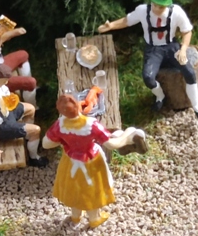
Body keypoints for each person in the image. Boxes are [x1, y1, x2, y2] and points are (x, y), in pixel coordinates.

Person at [98, 0, 198, 123]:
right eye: (154, 4)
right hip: (153, 49)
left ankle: (197, 106)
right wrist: (111, 26)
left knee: (189, 72)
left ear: (167, 5)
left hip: (171, 46)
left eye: (160, 7)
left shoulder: (176, 12)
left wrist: (183, 49)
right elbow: (127, 20)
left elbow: (187, 31)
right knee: (148, 77)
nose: (156, 9)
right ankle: (160, 96)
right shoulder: (143, 11)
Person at [42, 94, 145, 228]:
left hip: (70, 161)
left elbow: (46, 144)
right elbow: (111, 144)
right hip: (90, 161)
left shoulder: (60, 125)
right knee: (92, 190)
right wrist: (127, 136)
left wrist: (63, 141)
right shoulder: (91, 124)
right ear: (78, 107)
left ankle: (76, 217)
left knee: (74, 188)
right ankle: (94, 218)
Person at [0, 64, 48, 167]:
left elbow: (5, 96)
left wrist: (12, 100)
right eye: (4, 80)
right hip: (0, 127)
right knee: (36, 130)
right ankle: (34, 158)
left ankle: (28, 136)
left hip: (6, 112)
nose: (6, 82)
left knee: (31, 109)